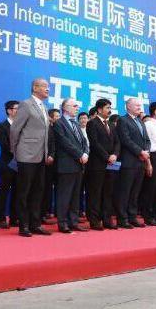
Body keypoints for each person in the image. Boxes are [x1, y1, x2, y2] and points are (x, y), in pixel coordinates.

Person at [10, 78, 53, 237]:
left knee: (38, 191)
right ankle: (24, 225)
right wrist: (16, 151)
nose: (48, 89)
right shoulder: (26, 104)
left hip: (41, 156)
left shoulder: (44, 107)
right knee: (24, 192)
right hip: (26, 154)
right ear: (35, 88)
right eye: (45, 86)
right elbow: (15, 130)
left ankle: (35, 224)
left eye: (48, 87)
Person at [53, 98, 89, 233]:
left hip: (79, 165)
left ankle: (73, 222)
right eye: (74, 106)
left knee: (75, 195)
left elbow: (84, 141)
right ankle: (62, 223)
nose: (77, 108)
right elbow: (64, 142)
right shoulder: (59, 123)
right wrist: (80, 154)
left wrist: (85, 153)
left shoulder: (75, 123)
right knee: (65, 195)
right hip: (67, 164)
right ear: (65, 108)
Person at [114, 98, 150, 229]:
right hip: (129, 161)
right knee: (125, 191)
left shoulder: (140, 121)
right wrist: (140, 151)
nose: (139, 107)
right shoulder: (123, 120)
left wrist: (146, 151)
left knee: (135, 192)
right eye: (136, 105)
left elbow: (147, 140)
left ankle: (132, 217)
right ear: (128, 107)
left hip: (141, 162)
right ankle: (122, 219)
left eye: (140, 105)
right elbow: (125, 140)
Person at [86, 98, 120, 230]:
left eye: (110, 107)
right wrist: (107, 157)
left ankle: (107, 219)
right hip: (97, 163)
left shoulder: (111, 124)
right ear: (99, 109)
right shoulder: (92, 123)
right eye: (107, 108)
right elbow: (94, 143)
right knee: (96, 192)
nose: (110, 110)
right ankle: (95, 220)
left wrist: (115, 155)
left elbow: (117, 142)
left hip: (111, 164)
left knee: (108, 192)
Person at [0, 100, 20, 229]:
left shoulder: (22, 126)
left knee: (17, 192)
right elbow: (4, 145)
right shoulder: (2, 126)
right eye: (17, 109)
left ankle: (14, 218)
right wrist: (21, 151)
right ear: (9, 110)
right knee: (4, 191)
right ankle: (1, 219)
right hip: (7, 163)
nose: (19, 111)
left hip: (20, 164)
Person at [41, 108, 60, 222]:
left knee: (58, 189)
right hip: (47, 163)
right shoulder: (47, 128)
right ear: (50, 118)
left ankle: (55, 211)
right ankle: (44, 212)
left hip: (59, 164)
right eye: (56, 116)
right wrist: (50, 155)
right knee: (46, 188)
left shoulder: (60, 128)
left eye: (59, 116)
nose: (58, 118)